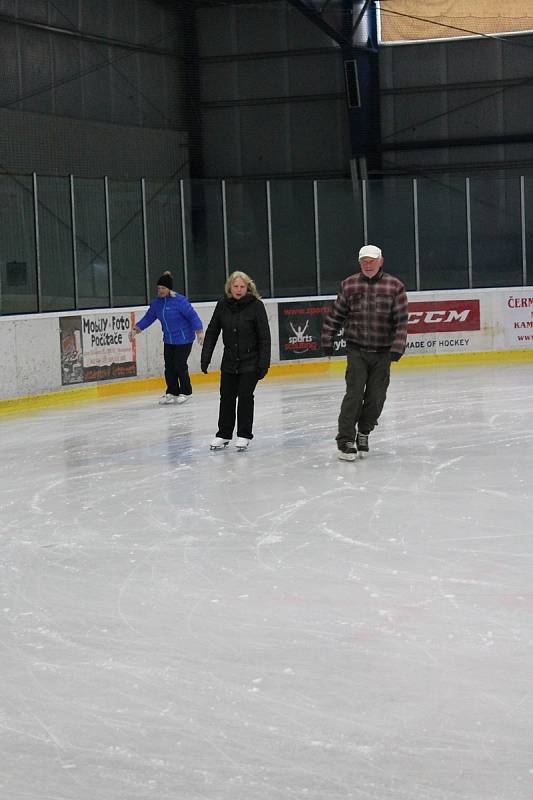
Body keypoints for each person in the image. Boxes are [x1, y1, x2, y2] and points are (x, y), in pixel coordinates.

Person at [321, 244, 408, 461]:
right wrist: (327, 338)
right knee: (354, 394)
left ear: (381, 261)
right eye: (364, 261)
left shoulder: (394, 286)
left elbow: (401, 322)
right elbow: (336, 314)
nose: (368, 264)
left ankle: (364, 432)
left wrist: (397, 347)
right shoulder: (349, 285)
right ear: (360, 263)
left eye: (372, 260)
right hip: (357, 349)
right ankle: (345, 440)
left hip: (383, 352)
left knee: (376, 398)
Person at [201, 271, 271, 451]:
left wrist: (264, 363)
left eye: (242, 286)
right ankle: (223, 434)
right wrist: (205, 357)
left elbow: (264, 337)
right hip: (230, 361)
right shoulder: (222, 305)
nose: (239, 290)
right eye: (235, 286)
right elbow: (212, 332)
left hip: (251, 361)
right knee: (226, 397)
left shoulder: (256, 306)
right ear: (229, 288)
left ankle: (244, 435)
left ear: (248, 288)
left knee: (246, 397)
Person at [129, 271, 204, 405]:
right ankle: (172, 391)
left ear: (169, 288)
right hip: (169, 340)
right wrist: (137, 328)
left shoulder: (179, 301)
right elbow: (149, 317)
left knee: (180, 365)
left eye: (163, 288)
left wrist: (199, 332)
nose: (160, 290)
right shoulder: (157, 304)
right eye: (159, 288)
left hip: (184, 339)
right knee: (169, 366)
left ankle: (186, 392)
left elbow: (192, 316)